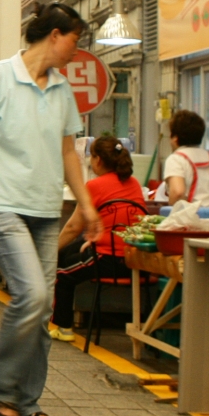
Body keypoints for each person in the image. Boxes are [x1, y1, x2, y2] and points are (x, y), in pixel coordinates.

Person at [0, 3, 100, 416]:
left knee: (43, 306)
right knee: (32, 295)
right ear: (55, 35)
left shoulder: (62, 89)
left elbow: (68, 152)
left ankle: (26, 399)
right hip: (0, 205)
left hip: (45, 210)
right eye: (75, 39)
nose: (78, 49)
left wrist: (86, 204)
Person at [52, 135, 144, 340]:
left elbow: (73, 227)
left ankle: (63, 326)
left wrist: (49, 251)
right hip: (135, 258)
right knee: (70, 252)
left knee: (61, 272)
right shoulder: (135, 183)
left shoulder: (95, 186)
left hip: (108, 259)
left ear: (98, 160)